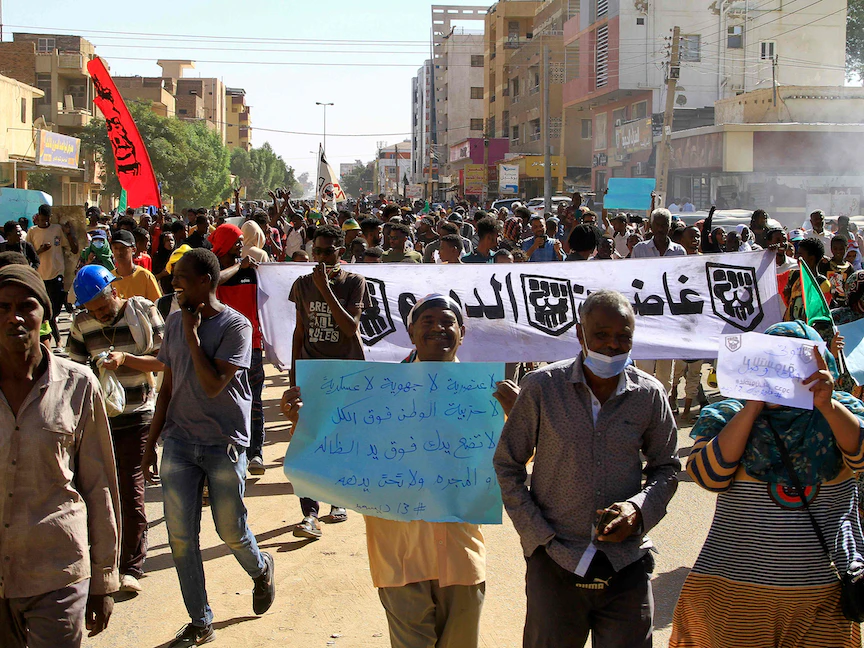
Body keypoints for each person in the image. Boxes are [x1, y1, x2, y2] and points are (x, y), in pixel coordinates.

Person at [281, 294, 488, 648]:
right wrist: (304, 423)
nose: (438, 328)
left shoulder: (485, 397)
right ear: (411, 333)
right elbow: (340, 453)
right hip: (399, 557)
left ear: (462, 332)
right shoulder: (375, 394)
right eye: (428, 322)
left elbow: (512, 464)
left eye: (447, 321)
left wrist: (516, 417)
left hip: (462, 557)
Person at [494, 290, 679, 648]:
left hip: (625, 561)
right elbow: (508, 464)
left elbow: (667, 468)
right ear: (580, 335)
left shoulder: (649, 395)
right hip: (555, 560)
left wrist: (637, 510)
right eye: (602, 335)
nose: (613, 345)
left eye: (623, 337)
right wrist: (538, 537)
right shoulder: (543, 388)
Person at [670, 321, 864, 648]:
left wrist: (827, 407)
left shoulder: (843, 411)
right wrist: (753, 406)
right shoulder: (727, 414)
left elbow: (860, 458)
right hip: (734, 596)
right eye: (772, 363)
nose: (784, 376)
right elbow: (708, 475)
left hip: (823, 597)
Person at [141, 249, 275, 646]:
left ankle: (260, 567)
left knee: (230, 530)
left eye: (181, 276)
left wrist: (192, 335)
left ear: (206, 281)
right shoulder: (174, 319)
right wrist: (151, 445)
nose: (173, 282)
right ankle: (201, 621)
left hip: (223, 442)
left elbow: (214, 383)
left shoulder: (236, 327)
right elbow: (168, 386)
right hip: (180, 442)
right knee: (182, 538)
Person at [0, 264, 119, 648]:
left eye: (26, 306)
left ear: (45, 315)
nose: (14, 317)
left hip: (58, 571)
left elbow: (100, 485)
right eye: (1, 307)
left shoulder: (79, 385)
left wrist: (103, 578)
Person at [67, 264, 165, 595]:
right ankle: (101, 563)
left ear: (115, 293)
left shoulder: (143, 312)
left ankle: (132, 566)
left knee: (130, 489)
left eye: (103, 307)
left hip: (138, 415)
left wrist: (126, 360)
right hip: (98, 420)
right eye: (93, 310)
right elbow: (74, 371)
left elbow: (166, 360)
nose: (100, 315)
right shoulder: (81, 325)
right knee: (96, 492)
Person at [288, 225, 372, 538]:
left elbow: (350, 328)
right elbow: (300, 331)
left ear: (340, 251)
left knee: (340, 439)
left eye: (328, 251)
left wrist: (325, 289)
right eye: (317, 251)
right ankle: (310, 514)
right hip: (313, 372)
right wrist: (293, 376)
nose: (321, 257)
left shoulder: (354, 282)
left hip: (345, 372)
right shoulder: (301, 285)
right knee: (309, 442)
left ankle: (338, 499)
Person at [210, 224, 268, 476]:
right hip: (221, 350)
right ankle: (230, 456)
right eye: (236, 243)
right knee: (226, 404)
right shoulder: (214, 272)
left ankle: (255, 452)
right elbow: (211, 284)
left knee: (254, 401)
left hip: (252, 348)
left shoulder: (252, 272)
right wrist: (238, 267)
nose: (240, 248)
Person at [631, 209, 685, 395]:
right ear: (651, 226)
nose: (661, 229)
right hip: (645, 316)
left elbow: (683, 281)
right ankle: (643, 406)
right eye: (658, 224)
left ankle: (663, 409)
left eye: (665, 225)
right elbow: (632, 280)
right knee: (643, 369)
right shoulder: (640, 250)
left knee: (664, 372)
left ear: (670, 227)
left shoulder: (679, 251)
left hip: (669, 318)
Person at [26, 204, 78, 345]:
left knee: (55, 309)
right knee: (45, 309)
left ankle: (55, 338)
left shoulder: (57, 229)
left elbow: (72, 249)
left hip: (57, 274)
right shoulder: (32, 232)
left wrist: (69, 232)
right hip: (40, 276)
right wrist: (40, 250)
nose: (44, 222)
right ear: (38, 218)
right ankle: (55, 339)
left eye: (47, 219)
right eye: (42, 220)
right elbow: (27, 255)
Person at [784, 237, 832, 321]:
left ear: (811, 258)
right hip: (790, 328)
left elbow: (820, 314)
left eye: (800, 254)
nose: (796, 257)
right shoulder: (794, 275)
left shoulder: (822, 284)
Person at [111, 229, 162, 302]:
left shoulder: (145, 276)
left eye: (123, 248)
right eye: (116, 248)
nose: (119, 252)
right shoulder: (109, 278)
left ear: (134, 250)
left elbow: (157, 305)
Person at [827, 235, 852, 308]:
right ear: (831, 249)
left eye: (841, 249)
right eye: (835, 249)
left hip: (843, 305)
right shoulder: (825, 264)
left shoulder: (849, 268)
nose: (838, 251)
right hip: (827, 303)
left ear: (846, 249)